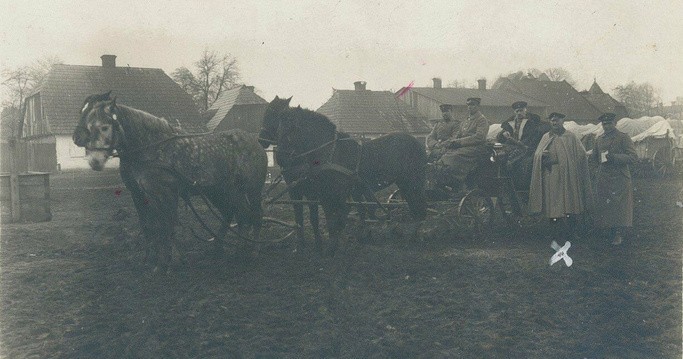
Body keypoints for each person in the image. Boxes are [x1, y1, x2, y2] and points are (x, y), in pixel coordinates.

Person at [529, 112, 593, 241]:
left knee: (570, 201)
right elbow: (537, 155)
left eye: (557, 120)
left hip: (568, 175)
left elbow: (581, 154)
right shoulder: (546, 137)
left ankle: (572, 232)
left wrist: (571, 165)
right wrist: (543, 157)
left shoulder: (570, 137)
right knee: (554, 204)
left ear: (563, 121)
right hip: (551, 174)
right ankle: (556, 233)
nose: (554, 123)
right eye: (552, 121)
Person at [591, 113, 638, 245]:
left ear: (615, 123)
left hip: (620, 178)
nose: (607, 126)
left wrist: (615, 157)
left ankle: (618, 234)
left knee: (619, 207)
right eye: (604, 124)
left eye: (609, 123)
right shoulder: (599, 139)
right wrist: (595, 171)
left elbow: (633, 157)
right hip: (604, 177)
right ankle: (609, 231)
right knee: (606, 205)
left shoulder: (623, 137)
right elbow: (594, 158)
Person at [437, 97, 490, 190]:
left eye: (472, 105)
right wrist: (450, 142)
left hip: (476, 148)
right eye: (468, 105)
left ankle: (458, 183)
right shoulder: (466, 120)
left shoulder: (481, 120)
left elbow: (479, 137)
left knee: (455, 157)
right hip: (465, 147)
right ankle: (446, 182)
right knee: (445, 154)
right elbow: (459, 135)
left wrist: (459, 142)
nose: (470, 107)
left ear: (478, 106)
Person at [496, 101, 550, 191]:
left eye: (521, 110)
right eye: (517, 111)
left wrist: (522, 144)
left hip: (527, 149)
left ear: (526, 110)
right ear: (514, 112)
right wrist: (503, 133)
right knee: (498, 158)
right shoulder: (509, 123)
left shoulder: (533, 122)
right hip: (511, 147)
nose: (519, 113)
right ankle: (503, 185)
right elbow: (500, 137)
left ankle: (521, 189)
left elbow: (534, 138)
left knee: (521, 164)